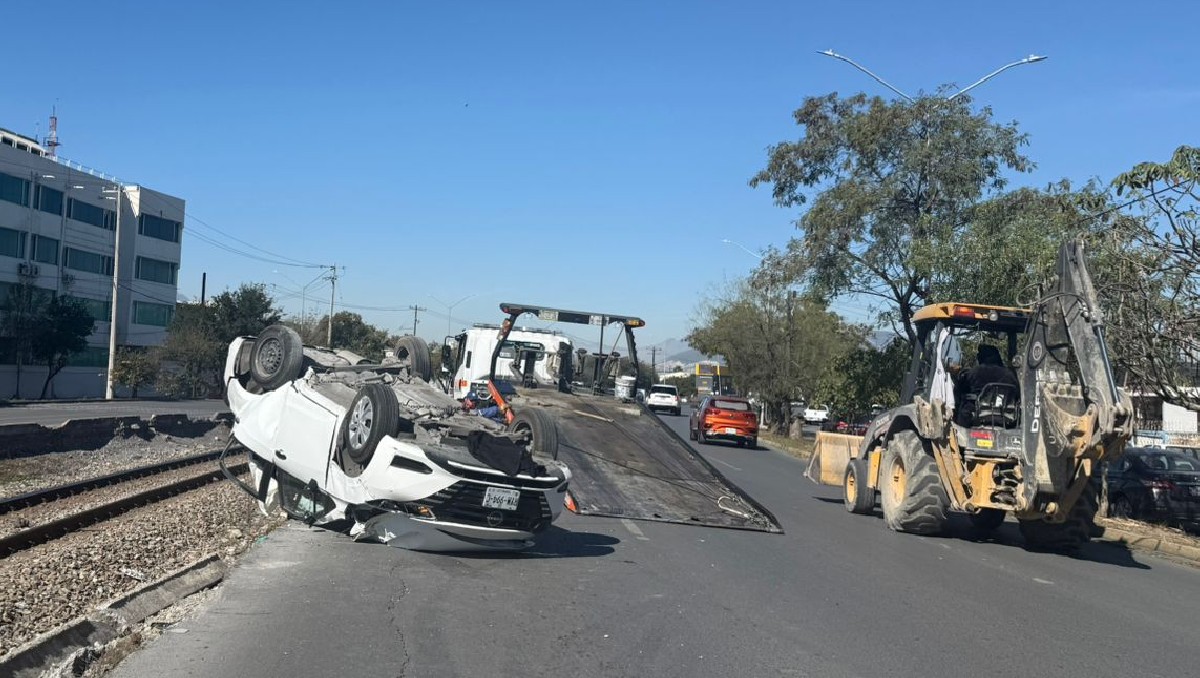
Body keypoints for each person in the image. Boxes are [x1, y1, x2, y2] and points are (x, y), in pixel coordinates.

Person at [953, 344, 1018, 426]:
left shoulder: (974, 372)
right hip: (1006, 417)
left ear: (981, 357)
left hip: (975, 416)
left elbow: (960, 390)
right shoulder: (1010, 375)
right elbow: (1017, 394)